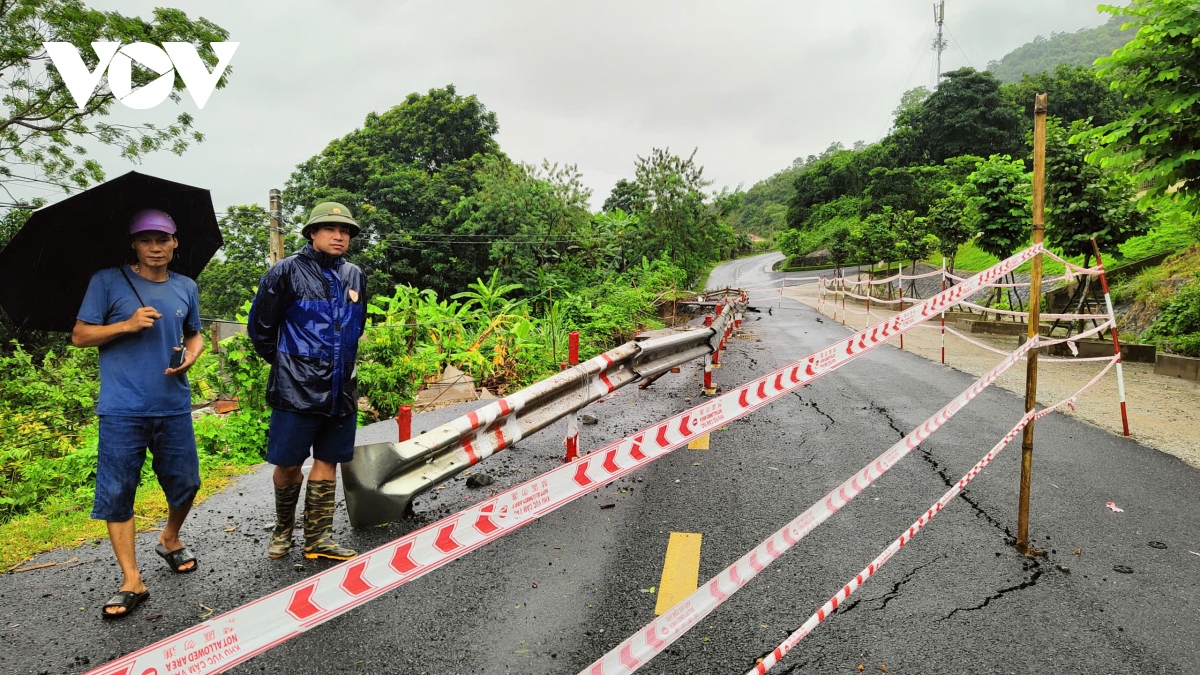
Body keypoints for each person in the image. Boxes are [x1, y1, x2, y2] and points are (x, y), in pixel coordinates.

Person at [72, 209, 204, 619]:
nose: (155, 247)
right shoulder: (107, 281)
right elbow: (80, 335)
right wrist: (126, 325)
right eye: (146, 239)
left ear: (174, 243)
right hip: (122, 408)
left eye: (162, 239)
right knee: (116, 495)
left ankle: (169, 537)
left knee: (187, 484)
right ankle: (132, 579)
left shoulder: (186, 286)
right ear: (134, 243)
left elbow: (194, 333)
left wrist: (191, 357)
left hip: (173, 404)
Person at [248, 202, 367, 561]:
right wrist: (290, 364)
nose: (339, 236)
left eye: (345, 230)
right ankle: (283, 529)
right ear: (312, 233)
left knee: (328, 460)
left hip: (341, 387)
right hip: (295, 389)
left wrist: (339, 364)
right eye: (330, 229)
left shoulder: (355, 275)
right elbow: (261, 330)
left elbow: (356, 326)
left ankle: (318, 538)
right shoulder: (284, 272)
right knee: (287, 463)